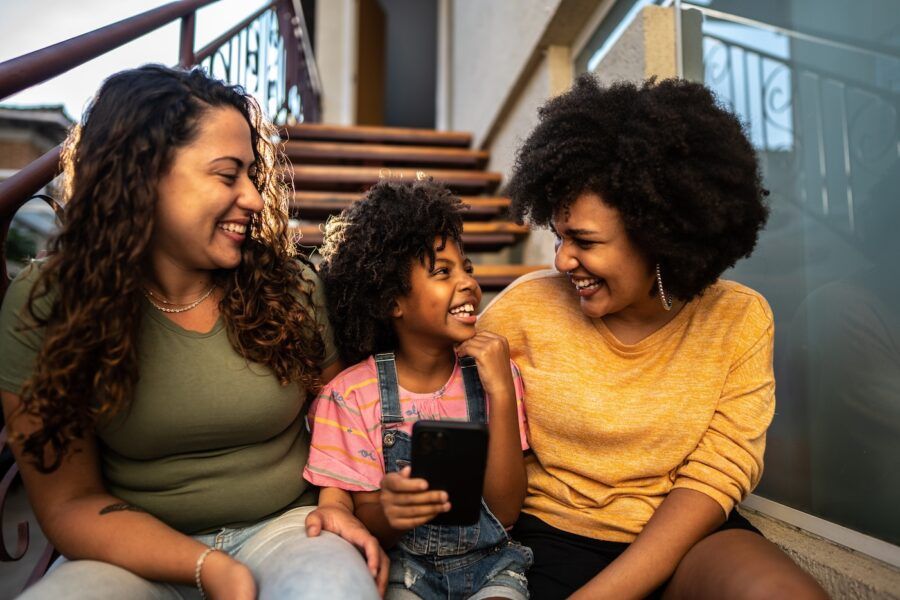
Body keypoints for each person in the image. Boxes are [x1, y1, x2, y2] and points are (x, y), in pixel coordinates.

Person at [0, 65, 386, 599]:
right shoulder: (52, 304)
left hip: (289, 528)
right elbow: (68, 501)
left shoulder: (288, 285)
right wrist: (211, 567)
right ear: (143, 174)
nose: (252, 197)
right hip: (130, 550)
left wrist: (338, 505)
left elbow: (346, 418)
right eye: (228, 175)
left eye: (253, 175)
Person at [476, 75, 828, 599]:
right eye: (559, 236)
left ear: (658, 236)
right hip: (548, 542)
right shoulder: (525, 308)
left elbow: (717, 475)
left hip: (685, 538)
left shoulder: (739, 320)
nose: (562, 259)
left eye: (585, 241)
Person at [305, 180, 533, 599]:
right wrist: (391, 513)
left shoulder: (498, 376)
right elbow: (362, 519)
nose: (467, 283)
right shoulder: (351, 397)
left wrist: (500, 393)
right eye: (443, 272)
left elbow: (504, 510)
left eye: (467, 268)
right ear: (393, 301)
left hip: (493, 568)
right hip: (404, 571)